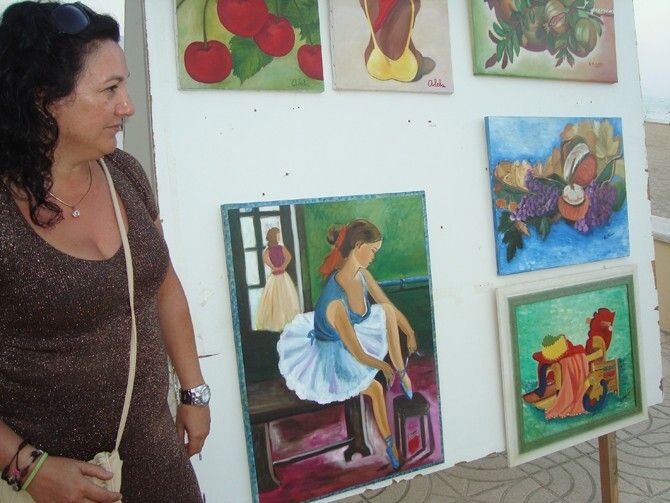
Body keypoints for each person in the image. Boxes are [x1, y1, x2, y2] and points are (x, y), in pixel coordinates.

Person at [0, 2, 209, 501]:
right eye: (110, 89)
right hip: (52, 479)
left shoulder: (125, 174)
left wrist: (193, 391)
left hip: (154, 453)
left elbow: (165, 286)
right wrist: (27, 467)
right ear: (44, 99)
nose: (127, 106)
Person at [277, 219, 417, 469]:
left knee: (385, 311)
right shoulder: (336, 303)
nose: (374, 257)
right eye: (373, 250)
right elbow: (358, 354)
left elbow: (389, 306)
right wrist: (383, 367)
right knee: (375, 389)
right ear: (359, 245)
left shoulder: (362, 275)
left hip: (352, 335)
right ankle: (390, 446)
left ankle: (403, 373)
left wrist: (409, 332)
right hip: (330, 355)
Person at [255, 227, 301, 332]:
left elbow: (289, 256)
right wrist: (273, 267)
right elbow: (264, 258)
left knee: (286, 297)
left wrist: (283, 266)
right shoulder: (267, 250)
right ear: (273, 236)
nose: (279, 236)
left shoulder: (281, 247)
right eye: (277, 234)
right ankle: (276, 323)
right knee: (274, 299)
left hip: (283, 275)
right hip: (275, 277)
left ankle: (287, 322)